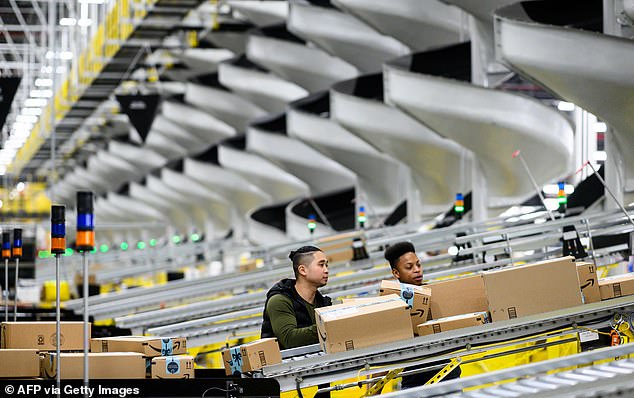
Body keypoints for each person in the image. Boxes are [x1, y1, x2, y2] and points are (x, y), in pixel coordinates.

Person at [384, 241, 461, 389]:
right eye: (409, 267)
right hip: (415, 383)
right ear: (396, 273)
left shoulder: (435, 296)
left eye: (418, 265)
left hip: (449, 375)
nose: (417, 270)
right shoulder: (391, 305)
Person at [261, 245, 332, 349]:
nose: (326, 270)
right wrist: (330, 326)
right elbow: (289, 339)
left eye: (326, 265)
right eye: (321, 265)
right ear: (303, 270)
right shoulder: (279, 301)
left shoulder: (322, 302)